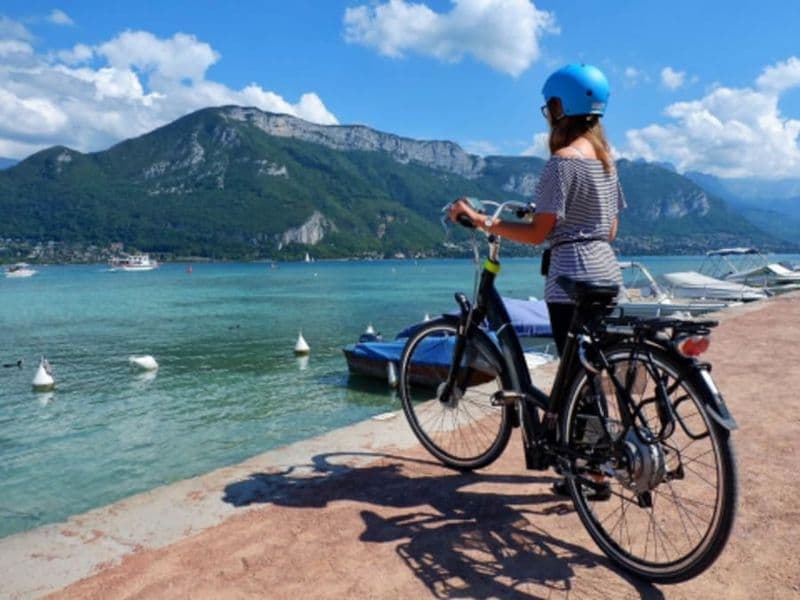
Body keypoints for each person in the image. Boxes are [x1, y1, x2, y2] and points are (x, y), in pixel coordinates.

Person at [448, 63, 625, 499]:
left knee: (574, 375)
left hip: (571, 277)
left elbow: (538, 234)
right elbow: (611, 229)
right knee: (588, 372)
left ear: (560, 108)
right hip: (607, 271)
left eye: (549, 108)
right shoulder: (606, 161)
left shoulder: (561, 165)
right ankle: (592, 469)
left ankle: (591, 469)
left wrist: (485, 222)